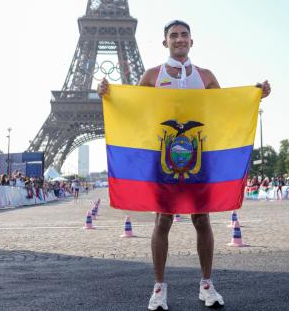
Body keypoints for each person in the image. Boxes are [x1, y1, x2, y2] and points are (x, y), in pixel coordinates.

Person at [99, 19, 272, 310]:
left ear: (192, 41)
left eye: (184, 35)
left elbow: (226, 108)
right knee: (162, 220)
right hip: (164, 157)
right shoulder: (153, 74)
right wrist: (109, 92)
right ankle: (159, 289)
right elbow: (134, 108)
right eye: (173, 36)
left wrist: (254, 94)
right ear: (165, 42)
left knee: (201, 219)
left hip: (197, 157)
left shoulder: (205, 76)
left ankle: (206, 285)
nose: (179, 39)